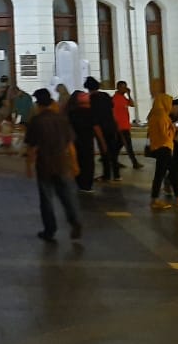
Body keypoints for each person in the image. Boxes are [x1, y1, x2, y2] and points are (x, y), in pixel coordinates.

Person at [24, 88, 82, 242]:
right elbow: (70, 145)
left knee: (46, 199)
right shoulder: (62, 119)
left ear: (38, 104)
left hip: (45, 164)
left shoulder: (36, 121)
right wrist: (75, 164)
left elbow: (31, 147)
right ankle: (74, 221)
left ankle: (50, 230)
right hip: (62, 163)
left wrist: (29, 166)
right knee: (67, 195)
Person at [147, 94, 178, 210]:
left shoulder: (153, 114)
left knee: (169, 173)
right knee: (163, 174)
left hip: (158, 147)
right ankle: (156, 200)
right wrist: (174, 128)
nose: (171, 105)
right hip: (164, 147)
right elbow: (165, 135)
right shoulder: (162, 116)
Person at [85, 77, 120, 183]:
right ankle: (117, 174)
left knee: (104, 151)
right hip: (111, 125)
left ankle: (107, 175)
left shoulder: (90, 99)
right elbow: (112, 111)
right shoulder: (105, 95)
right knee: (113, 151)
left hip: (101, 127)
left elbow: (94, 119)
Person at [67, 90, 98, 192]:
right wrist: (102, 142)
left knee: (79, 160)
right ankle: (87, 184)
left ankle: (80, 182)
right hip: (87, 141)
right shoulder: (90, 113)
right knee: (88, 163)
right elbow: (96, 127)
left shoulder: (72, 113)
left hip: (76, 141)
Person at [113, 81, 142, 170]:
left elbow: (132, 104)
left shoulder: (123, 98)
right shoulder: (114, 99)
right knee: (128, 145)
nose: (125, 89)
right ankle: (134, 163)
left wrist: (129, 94)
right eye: (123, 87)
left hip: (125, 125)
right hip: (120, 126)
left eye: (126, 87)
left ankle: (112, 160)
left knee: (119, 145)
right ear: (118, 87)